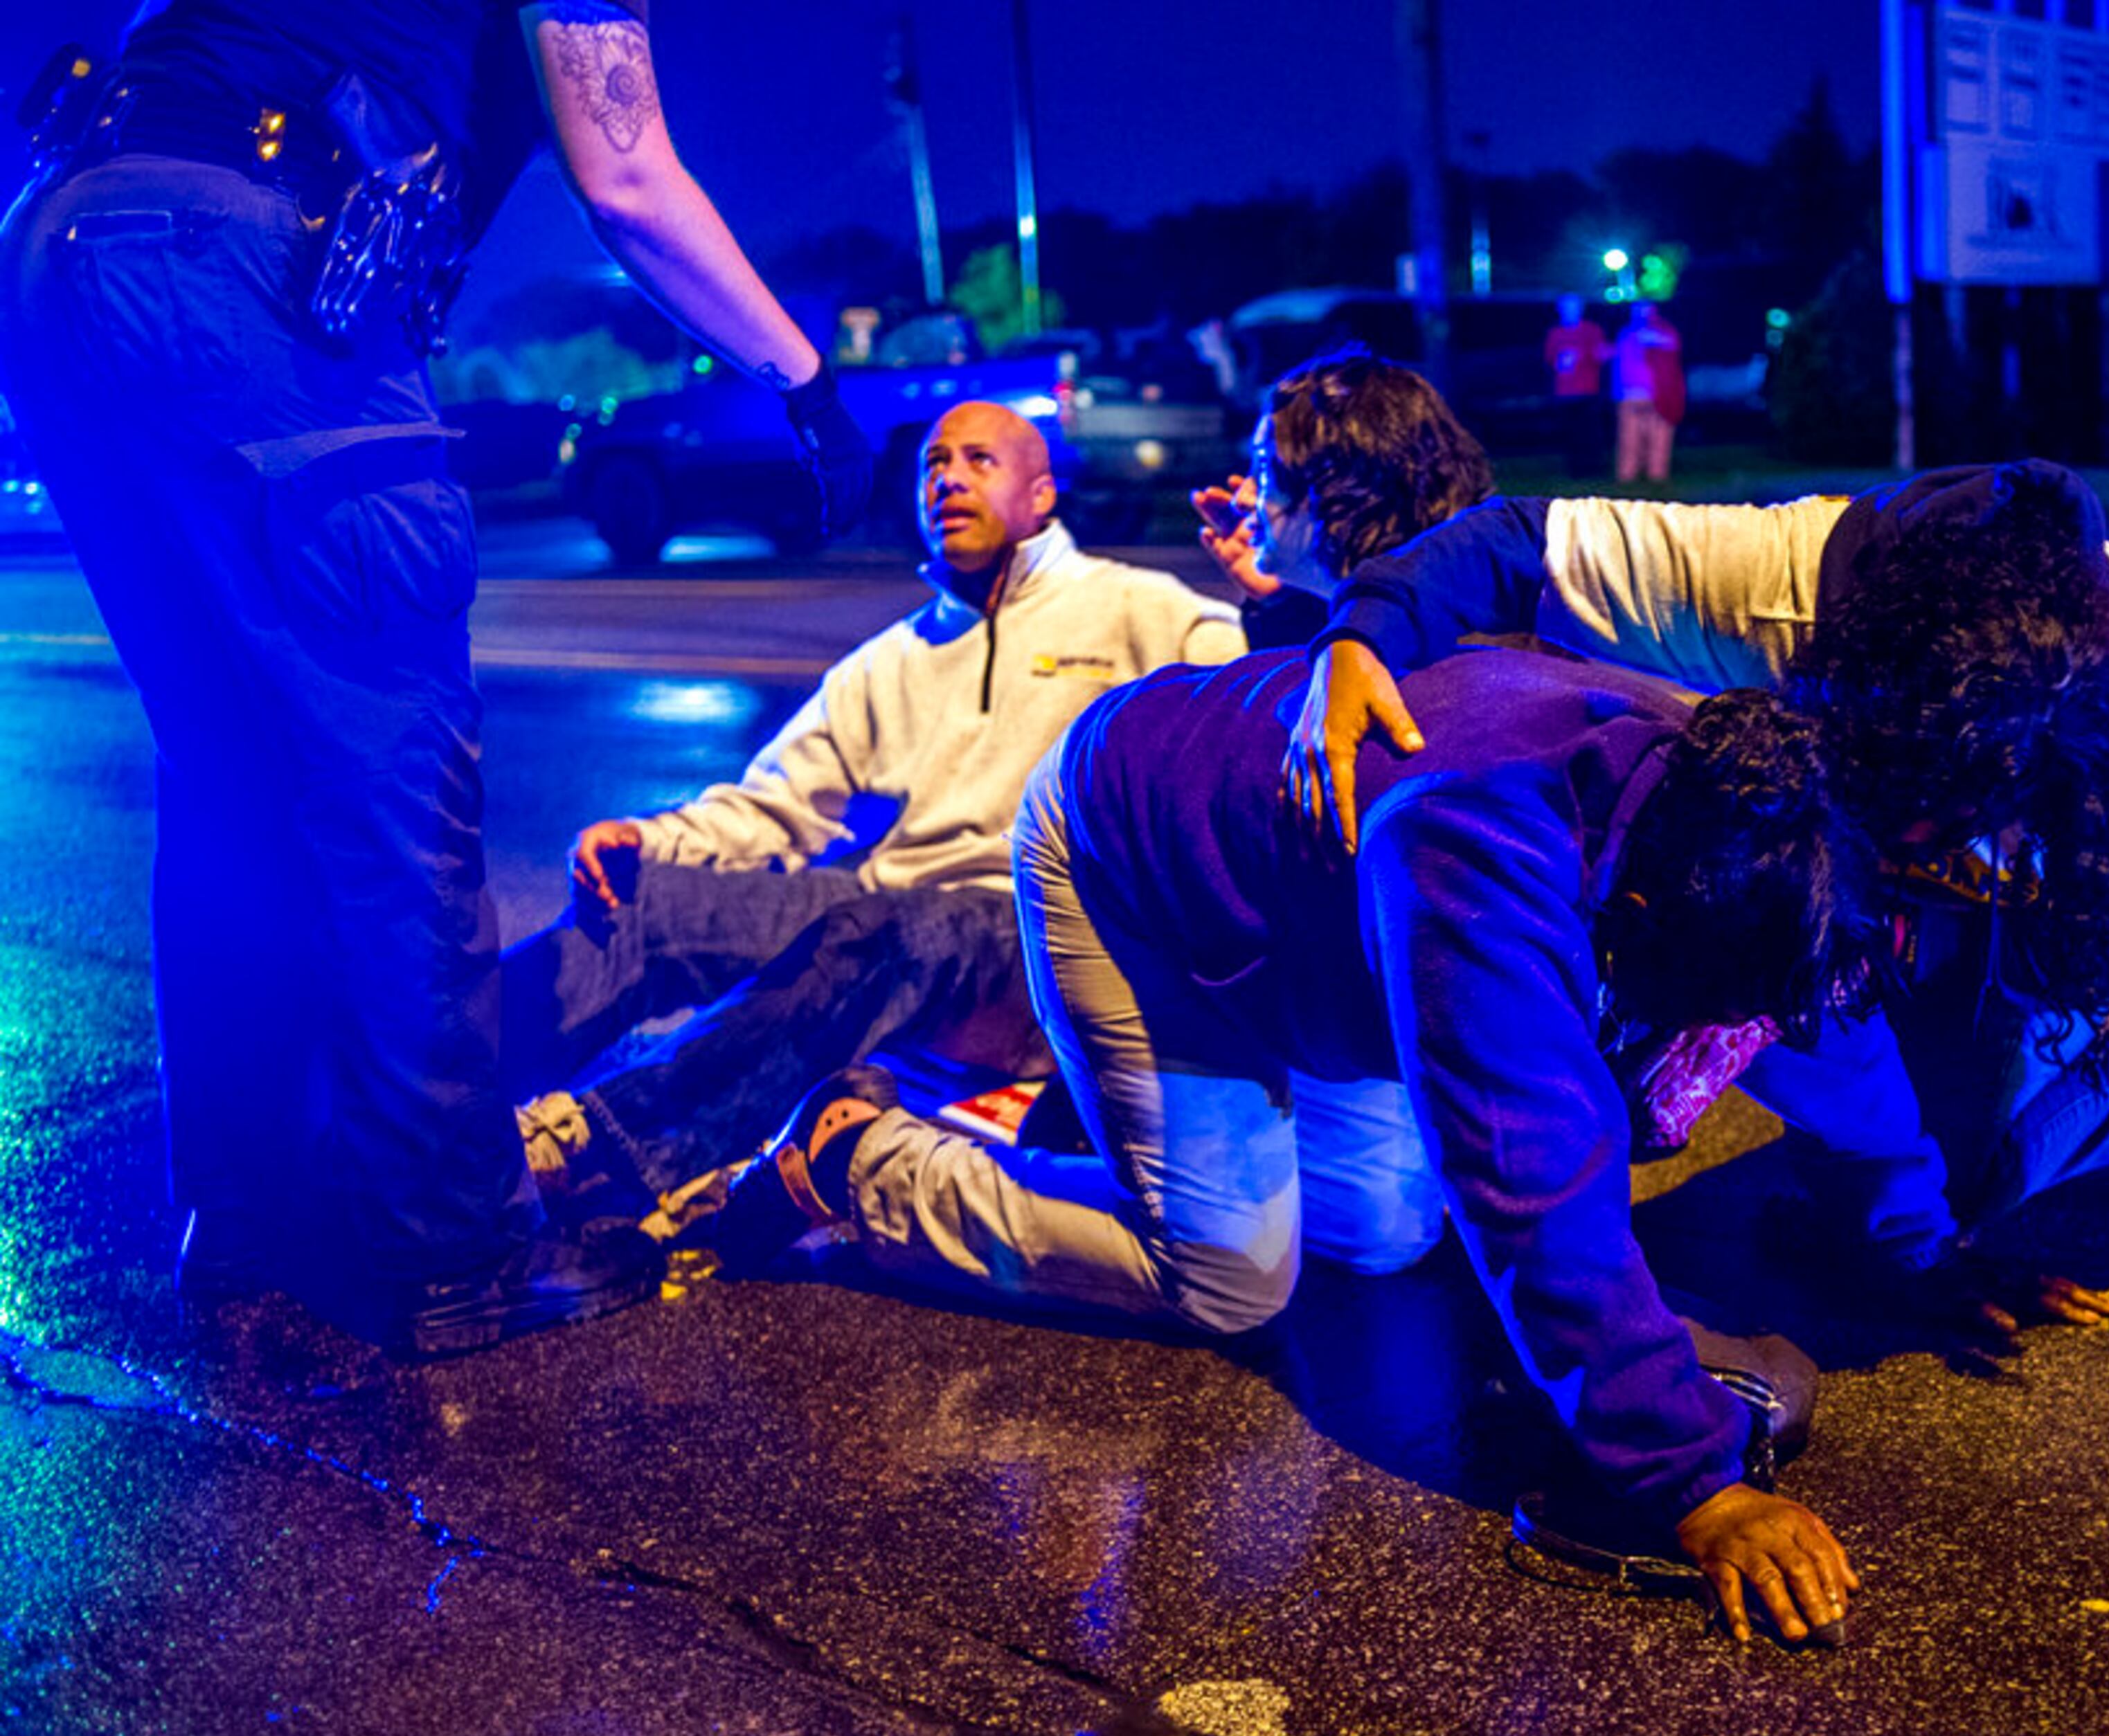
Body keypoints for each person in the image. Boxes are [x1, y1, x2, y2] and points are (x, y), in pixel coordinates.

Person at [0, 0, 875, 1354]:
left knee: (231, 776)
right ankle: (451, 1252)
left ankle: (242, 1219)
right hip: (241, 253)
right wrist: (809, 384)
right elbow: (629, 176)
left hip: (67, 242)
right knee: (391, 772)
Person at [713, 646, 1874, 1647]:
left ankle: (1153, 1143)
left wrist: (1917, 1242)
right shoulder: (1482, 844)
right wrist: (1693, 1483)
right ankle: (857, 1155)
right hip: (1127, 867)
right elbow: (1530, 1175)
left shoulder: (1732, 796)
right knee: (1232, 1276)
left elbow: (1816, 1025)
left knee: (1380, 1232)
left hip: (1297, 924)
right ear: (1644, 916)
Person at [1283, 466, 2109, 1368]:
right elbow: (1507, 543)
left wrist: (1929, 940)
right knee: (1903, 1187)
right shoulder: (1781, 575)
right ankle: (1952, 1022)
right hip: (1918, 854)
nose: (1919, 835)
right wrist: (1357, 635)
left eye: (1941, 813)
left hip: (2103, 889)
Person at [505, 401, 1243, 1207]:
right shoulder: (889, 660)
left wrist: (1285, 596)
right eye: (933, 464)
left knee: (877, 927)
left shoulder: (1139, 609)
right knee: (645, 900)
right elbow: (777, 805)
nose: (947, 479)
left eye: (978, 461)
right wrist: (651, 841)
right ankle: (443, 1087)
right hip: (892, 922)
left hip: (1037, 937)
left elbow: (1262, 698)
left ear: (1041, 495)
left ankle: (598, 1153)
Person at [1188, 343, 1496, 648]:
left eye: (1266, 471)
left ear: (1347, 485)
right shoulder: (1425, 619)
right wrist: (1287, 602)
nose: (1240, 499)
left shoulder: (1464, 657)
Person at [1611, 300, 1685, 485]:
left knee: (1659, 436)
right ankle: (1628, 474)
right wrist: (1618, 391)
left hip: (1657, 394)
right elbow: (1619, 365)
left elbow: (1673, 350)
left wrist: (1656, 339)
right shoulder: (1626, 335)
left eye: (1646, 311)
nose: (1642, 315)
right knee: (1630, 437)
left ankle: (1657, 474)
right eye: (1638, 311)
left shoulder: (1664, 333)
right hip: (1630, 393)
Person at [1541, 293, 1610, 476]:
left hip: (1588, 391)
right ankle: (1575, 470)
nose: (1571, 311)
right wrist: (1559, 362)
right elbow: (1549, 359)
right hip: (1565, 393)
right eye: (1567, 307)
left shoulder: (1592, 331)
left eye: (1575, 307)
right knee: (1570, 433)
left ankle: (1594, 468)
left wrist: (1586, 355)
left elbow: (1601, 355)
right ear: (1560, 310)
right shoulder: (1555, 334)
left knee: (1591, 432)